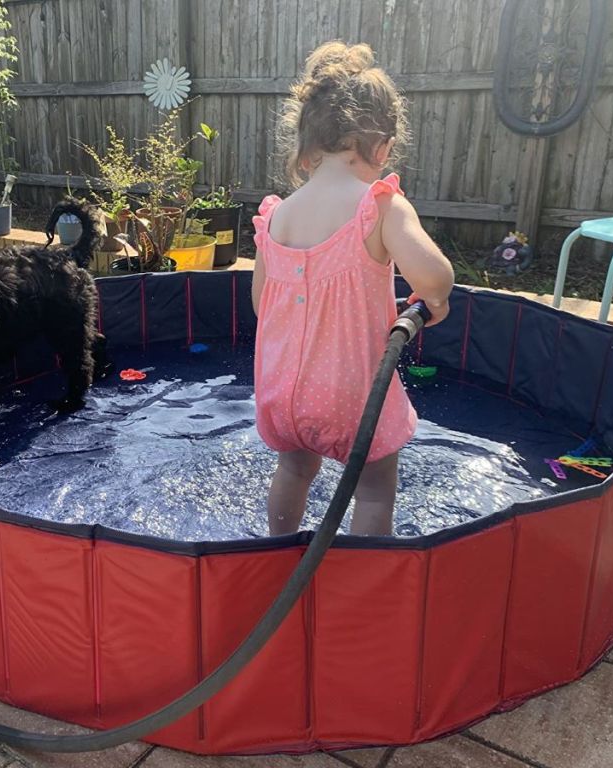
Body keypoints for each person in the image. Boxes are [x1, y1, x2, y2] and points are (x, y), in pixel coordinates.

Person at [252, 41, 454, 537]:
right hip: (351, 398)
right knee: (375, 488)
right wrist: (438, 299)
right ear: (382, 148)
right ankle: (367, 585)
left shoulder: (277, 215)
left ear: (305, 146)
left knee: (295, 470)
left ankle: (278, 555)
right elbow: (433, 277)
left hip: (281, 395)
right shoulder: (379, 205)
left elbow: (262, 304)